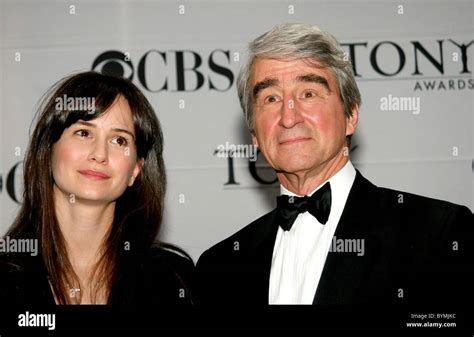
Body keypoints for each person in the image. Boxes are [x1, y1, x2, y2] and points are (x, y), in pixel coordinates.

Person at [196, 23, 473, 309]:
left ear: (350, 115)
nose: (289, 117)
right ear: (254, 133)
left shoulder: (437, 234)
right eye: (271, 98)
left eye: (309, 93)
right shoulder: (219, 266)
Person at [0, 71, 193, 308]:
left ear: (135, 169)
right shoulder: (6, 275)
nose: (100, 154)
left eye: (119, 140)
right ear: (49, 150)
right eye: (83, 133)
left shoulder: (174, 280)